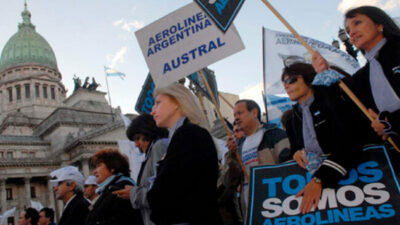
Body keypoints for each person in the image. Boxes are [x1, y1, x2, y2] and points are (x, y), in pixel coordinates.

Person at [282, 62, 363, 214]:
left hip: (353, 181)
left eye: (291, 80)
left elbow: (350, 142)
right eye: (284, 83)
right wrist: (296, 154)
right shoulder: (292, 120)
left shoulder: (331, 101)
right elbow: (295, 149)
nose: (286, 86)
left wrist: (320, 179)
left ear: (308, 79)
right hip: (319, 193)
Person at [313, 6, 400, 146]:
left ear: (379, 24)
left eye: (357, 23)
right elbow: (349, 122)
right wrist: (326, 78)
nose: (351, 33)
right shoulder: (361, 78)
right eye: (347, 31)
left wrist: (389, 121)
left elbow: (386, 121)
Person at [148, 83, 222, 225]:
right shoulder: (183, 135)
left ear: (177, 102)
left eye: (158, 103)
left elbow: (165, 192)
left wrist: (152, 195)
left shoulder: (188, 134)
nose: (152, 111)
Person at [226, 99, 291, 216]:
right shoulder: (239, 145)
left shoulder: (274, 134)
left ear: (254, 113)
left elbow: (288, 167)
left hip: (276, 205)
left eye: (240, 113)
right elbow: (232, 180)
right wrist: (232, 156)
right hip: (251, 209)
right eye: (234, 115)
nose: (236, 118)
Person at [113, 114, 168, 225]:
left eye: (138, 138)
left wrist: (133, 193)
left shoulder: (159, 146)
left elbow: (163, 193)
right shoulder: (151, 153)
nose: (136, 145)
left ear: (149, 131)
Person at [85, 149, 143, 225]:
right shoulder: (109, 188)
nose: (94, 171)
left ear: (112, 167)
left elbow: (122, 220)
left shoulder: (122, 187)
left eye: (98, 165)